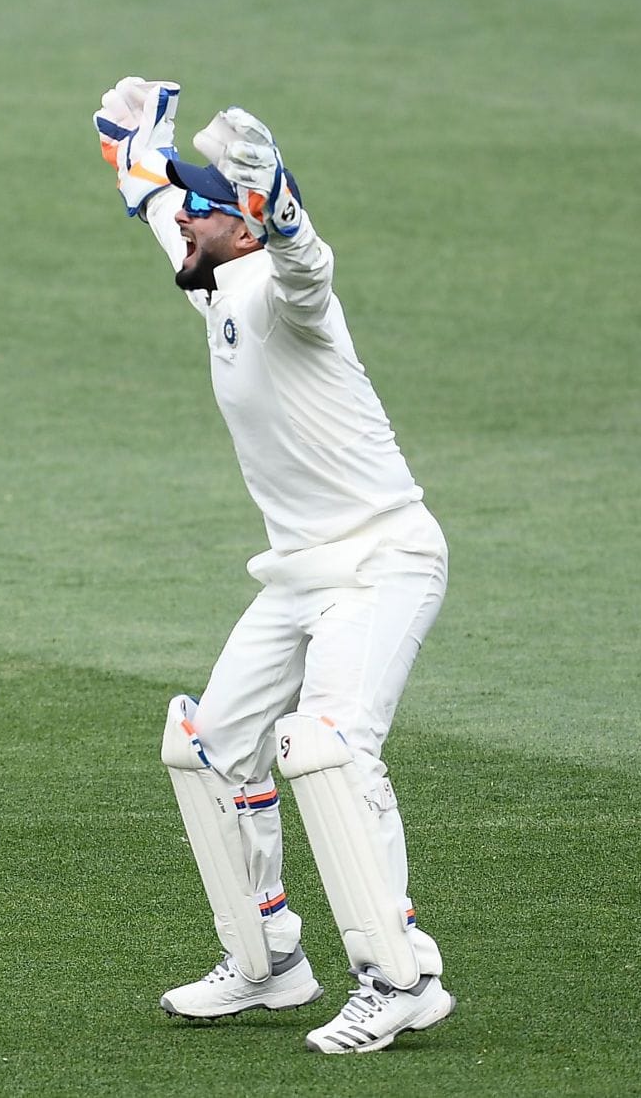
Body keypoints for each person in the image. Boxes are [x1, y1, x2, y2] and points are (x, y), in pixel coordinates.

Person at [91, 78, 454, 1052]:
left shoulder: (285, 293)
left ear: (245, 227)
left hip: (381, 560)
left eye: (210, 210)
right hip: (298, 575)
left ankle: (399, 974)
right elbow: (159, 202)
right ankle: (268, 962)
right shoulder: (212, 268)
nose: (189, 224)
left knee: (331, 746)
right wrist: (130, 141)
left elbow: (309, 264)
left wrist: (284, 202)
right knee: (211, 749)